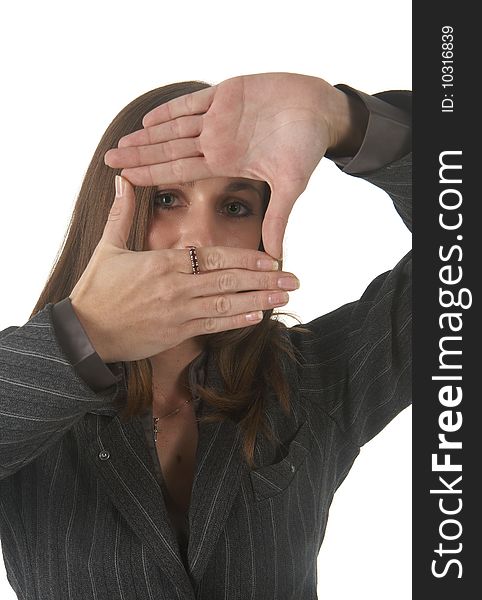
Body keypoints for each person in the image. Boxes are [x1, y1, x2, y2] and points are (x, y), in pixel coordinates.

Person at [0, 73, 411, 599]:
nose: (199, 238)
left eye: (235, 206)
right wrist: (86, 337)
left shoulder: (316, 380)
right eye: (167, 198)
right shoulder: (26, 382)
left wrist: (349, 123)